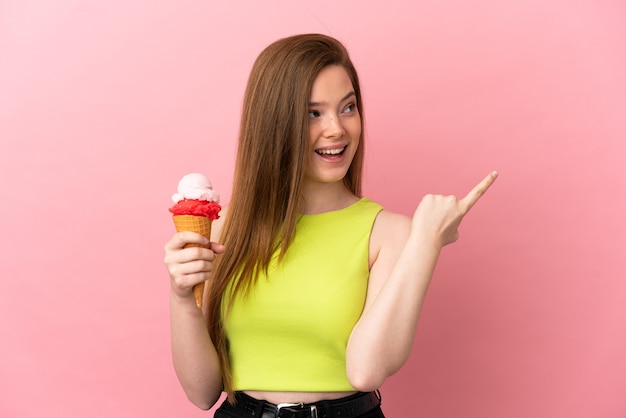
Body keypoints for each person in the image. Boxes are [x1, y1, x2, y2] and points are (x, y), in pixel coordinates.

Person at [164, 33, 497, 418]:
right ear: (273, 124)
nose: (337, 128)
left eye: (348, 107)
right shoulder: (225, 234)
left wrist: (426, 242)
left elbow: (365, 370)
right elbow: (202, 391)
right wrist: (181, 297)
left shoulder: (388, 233)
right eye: (313, 113)